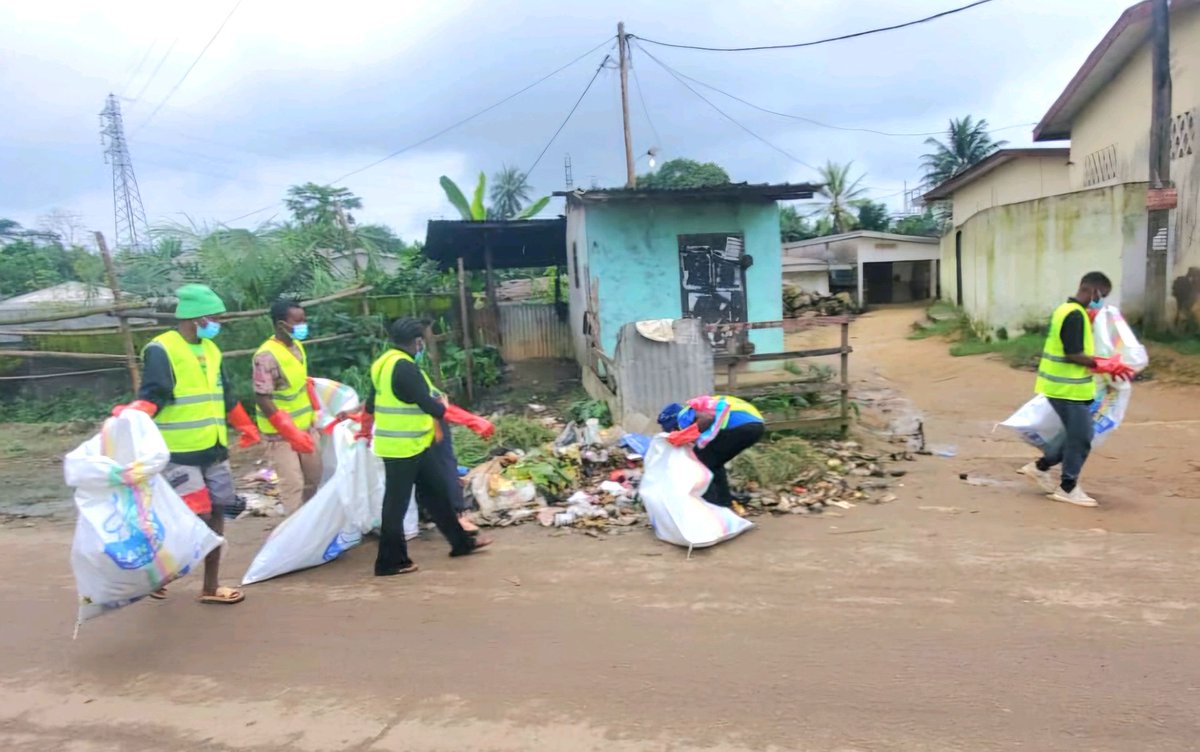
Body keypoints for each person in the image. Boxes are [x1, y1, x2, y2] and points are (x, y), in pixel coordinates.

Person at [112, 284, 260, 604]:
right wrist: (130, 418)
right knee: (199, 516)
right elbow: (153, 394)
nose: (219, 323)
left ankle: (210, 586)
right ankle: (159, 572)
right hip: (179, 452)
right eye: (216, 318)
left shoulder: (211, 350)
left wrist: (246, 427)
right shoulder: (161, 349)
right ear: (197, 317)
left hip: (214, 447)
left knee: (218, 513)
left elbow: (225, 396)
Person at [357, 318, 492, 576]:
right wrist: (470, 420)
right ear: (418, 341)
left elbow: (372, 404)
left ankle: (461, 543)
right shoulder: (406, 369)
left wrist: (364, 429)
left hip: (413, 445)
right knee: (395, 504)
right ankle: (389, 561)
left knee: (436, 492)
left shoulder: (383, 363)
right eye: (422, 342)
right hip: (401, 448)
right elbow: (431, 406)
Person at [1018, 271, 1136, 507]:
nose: (1101, 302)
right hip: (1067, 390)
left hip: (1065, 387)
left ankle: (1040, 467)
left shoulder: (1068, 310)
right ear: (1092, 291)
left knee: (1074, 434)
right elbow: (1073, 354)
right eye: (1102, 296)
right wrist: (1103, 364)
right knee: (1082, 437)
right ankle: (1067, 487)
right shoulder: (1075, 315)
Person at [414, 345, 495, 533]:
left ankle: (435, 514)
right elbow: (438, 404)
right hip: (430, 428)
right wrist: (471, 420)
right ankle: (458, 515)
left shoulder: (386, 367)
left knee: (427, 473)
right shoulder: (410, 371)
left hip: (413, 434)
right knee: (445, 466)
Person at [253, 298, 320, 514]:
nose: (303, 326)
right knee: (293, 484)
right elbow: (263, 398)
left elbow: (300, 384)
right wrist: (288, 430)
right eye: (298, 321)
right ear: (281, 324)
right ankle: (296, 536)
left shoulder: (297, 346)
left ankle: (311, 525)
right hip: (281, 435)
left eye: (304, 320)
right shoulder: (266, 356)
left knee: (314, 479)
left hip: (306, 428)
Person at [657, 395, 765, 514]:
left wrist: (687, 434)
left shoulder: (684, 415)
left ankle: (712, 510)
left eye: (672, 430)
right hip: (756, 426)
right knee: (714, 463)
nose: (675, 431)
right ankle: (724, 505)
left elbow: (708, 418)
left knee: (702, 464)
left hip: (741, 427)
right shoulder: (699, 408)